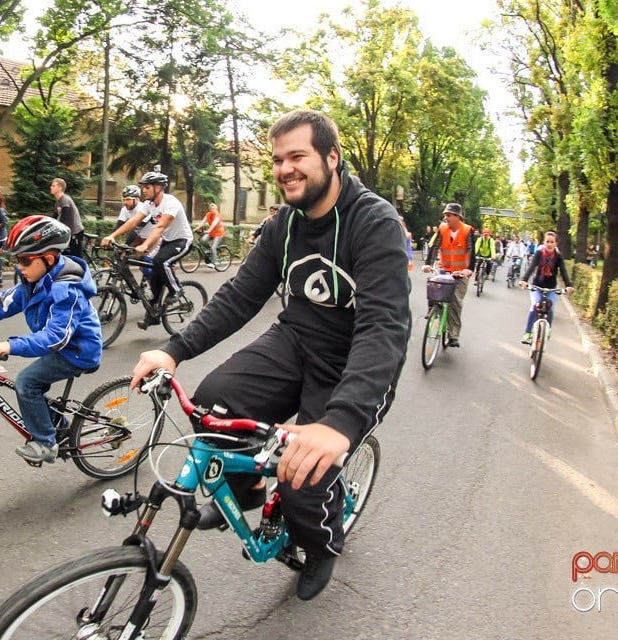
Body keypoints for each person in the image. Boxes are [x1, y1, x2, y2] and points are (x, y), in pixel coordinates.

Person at [129, 109, 411, 601]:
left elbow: (383, 327)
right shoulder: (285, 223)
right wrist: (173, 350)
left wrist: (338, 424)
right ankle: (251, 490)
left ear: (331, 157)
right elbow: (239, 297)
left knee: (305, 477)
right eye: (279, 159)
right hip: (296, 340)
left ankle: (322, 546)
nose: (285, 169)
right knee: (215, 403)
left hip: (351, 362)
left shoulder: (374, 222)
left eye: (297, 156)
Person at [0, 216, 102, 463]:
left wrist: (9, 345)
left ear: (48, 259)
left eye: (25, 260)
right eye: (16, 260)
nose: (19, 266)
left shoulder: (67, 291)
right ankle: (56, 424)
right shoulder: (34, 280)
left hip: (78, 351)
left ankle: (45, 443)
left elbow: (56, 337)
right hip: (61, 345)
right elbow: (3, 303)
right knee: (34, 385)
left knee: (26, 382)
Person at [102, 168, 192, 330]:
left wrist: (144, 245)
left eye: (147, 187)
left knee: (160, 262)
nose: (144, 190)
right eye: (143, 187)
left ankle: (176, 290)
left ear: (158, 188)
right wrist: (112, 236)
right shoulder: (149, 204)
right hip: (167, 240)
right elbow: (133, 222)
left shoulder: (170, 203)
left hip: (181, 240)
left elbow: (160, 226)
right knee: (154, 277)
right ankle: (153, 315)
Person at [422, 202, 475, 347]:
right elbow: (435, 247)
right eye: (445, 215)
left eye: (449, 215)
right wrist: (428, 264)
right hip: (444, 268)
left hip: (460, 273)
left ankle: (453, 335)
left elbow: (471, 251)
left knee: (455, 302)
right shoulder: (443, 229)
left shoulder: (467, 231)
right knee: (433, 285)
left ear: (458, 217)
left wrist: (469, 269)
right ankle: (433, 309)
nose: (446, 218)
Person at [519, 230, 574, 344]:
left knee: (551, 308)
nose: (549, 244)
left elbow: (563, 270)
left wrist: (569, 285)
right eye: (547, 242)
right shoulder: (539, 254)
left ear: (556, 243)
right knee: (535, 305)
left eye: (552, 242)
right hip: (537, 286)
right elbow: (532, 267)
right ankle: (528, 333)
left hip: (551, 288)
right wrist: (524, 280)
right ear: (544, 243)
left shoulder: (558, 256)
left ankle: (547, 329)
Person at [49, 177, 84, 257]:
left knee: (76, 256)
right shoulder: (58, 202)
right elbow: (54, 217)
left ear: (60, 188)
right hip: (68, 232)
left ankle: (83, 269)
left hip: (75, 232)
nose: (51, 187)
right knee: (64, 255)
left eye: (53, 186)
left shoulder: (65, 199)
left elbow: (64, 218)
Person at [116, 184, 157, 250]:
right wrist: (110, 237)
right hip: (139, 237)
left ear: (137, 199)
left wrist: (126, 244)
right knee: (121, 255)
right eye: (124, 200)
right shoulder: (124, 209)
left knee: (148, 259)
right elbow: (118, 225)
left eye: (128, 199)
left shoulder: (143, 208)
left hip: (151, 239)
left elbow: (136, 229)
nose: (125, 202)